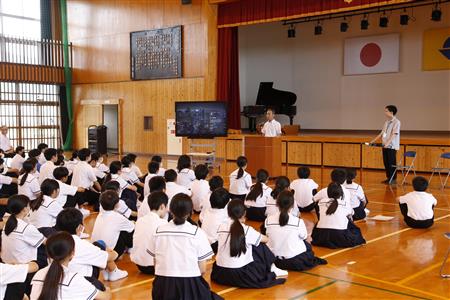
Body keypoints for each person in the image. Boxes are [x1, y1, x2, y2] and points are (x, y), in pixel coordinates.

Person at [147, 193, 221, 300]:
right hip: (189, 282)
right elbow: (202, 269)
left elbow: (155, 262)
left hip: (162, 284)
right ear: (190, 212)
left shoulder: (158, 230)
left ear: (170, 210)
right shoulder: (197, 232)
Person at [211, 199, 287, 288]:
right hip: (240, 274)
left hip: (221, 273)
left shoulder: (221, 227)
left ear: (228, 212)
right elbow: (266, 240)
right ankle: (272, 267)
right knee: (259, 245)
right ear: (244, 214)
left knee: (253, 242)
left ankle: (272, 267)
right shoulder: (246, 230)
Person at [30, 232, 111, 300]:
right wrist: (107, 289)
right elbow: (106, 297)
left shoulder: (38, 275)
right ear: (72, 254)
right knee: (97, 286)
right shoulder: (74, 279)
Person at [55, 208, 127, 284]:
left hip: (61, 279)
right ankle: (114, 271)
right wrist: (110, 251)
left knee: (98, 244)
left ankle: (112, 271)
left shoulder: (54, 241)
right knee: (100, 245)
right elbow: (113, 256)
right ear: (79, 227)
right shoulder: (82, 245)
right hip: (83, 281)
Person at [265, 190, 327, 271]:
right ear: (292, 205)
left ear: (277, 204)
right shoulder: (297, 221)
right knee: (307, 246)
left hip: (275, 260)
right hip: (294, 261)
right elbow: (304, 236)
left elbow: (268, 236)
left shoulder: (268, 220)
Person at [1, 195, 47, 298]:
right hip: (24, 269)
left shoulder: (8, 223)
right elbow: (46, 242)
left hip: (8, 264)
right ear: (25, 209)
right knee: (47, 251)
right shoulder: (26, 228)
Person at [311, 183, 366, 249]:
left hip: (321, 236)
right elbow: (352, 214)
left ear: (328, 193)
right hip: (339, 236)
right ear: (341, 194)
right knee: (355, 230)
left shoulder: (321, 202)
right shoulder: (345, 203)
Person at [130, 191, 168, 274]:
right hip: (155, 266)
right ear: (162, 206)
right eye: (166, 207)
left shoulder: (140, 220)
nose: (167, 210)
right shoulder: (163, 223)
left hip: (139, 265)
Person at [91, 190, 135, 257]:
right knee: (129, 230)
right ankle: (130, 247)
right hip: (110, 253)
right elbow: (132, 227)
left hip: (95, 249)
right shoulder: (118, 218)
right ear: (117, 205)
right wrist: (133, 222)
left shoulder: (100, 213)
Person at [369, 105, 401, 184]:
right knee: (386, 162)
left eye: (386, 111)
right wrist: (373, 140)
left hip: (391, 146)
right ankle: (388, 177)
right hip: (385, 145)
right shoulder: (386, 122)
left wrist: (388, 143)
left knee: (391, 162)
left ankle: (393, 179)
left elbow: (394, 134)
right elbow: (382, 133)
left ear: (391, 112)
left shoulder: (397, 122)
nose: (385, 112)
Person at [199, 187, 230, 254]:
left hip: (203, 241)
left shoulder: (207, 210)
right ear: (226, 203)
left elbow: (201, 219)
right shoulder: (225, 216)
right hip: (214, 245)